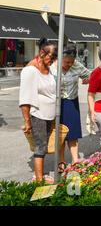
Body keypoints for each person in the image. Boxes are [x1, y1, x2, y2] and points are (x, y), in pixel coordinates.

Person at [19, 38, 57, 184]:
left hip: (49, 114)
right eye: (51, 57)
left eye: (54, 58)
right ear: (42, 53)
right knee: (40, 147)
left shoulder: (48, 68)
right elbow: (25, 98)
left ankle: (38, 175)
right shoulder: (30, 70)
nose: (53, 60)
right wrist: (27, 121)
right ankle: (39, 179)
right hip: (38, 114)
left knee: (44, 145)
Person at [49, 47, 90, 171]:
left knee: (73, 133)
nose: (70, 64)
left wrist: (86, 79)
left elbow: (90, 75)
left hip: (72, 102)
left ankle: (75, 160)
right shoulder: (51, 68)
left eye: (72, 62)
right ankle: (61, 161)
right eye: (67, 62)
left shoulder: (76, 65)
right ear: (60, 58)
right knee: (59, 134)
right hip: (56, 103)